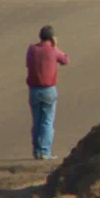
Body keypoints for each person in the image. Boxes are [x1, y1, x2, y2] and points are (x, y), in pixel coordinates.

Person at [25, 26, 69, 160]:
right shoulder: (52, 50)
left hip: (34, 90)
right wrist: (55, 46)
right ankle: (45, 151)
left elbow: (28, 63)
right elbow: (65, 60)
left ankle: (37, 151)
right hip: (48, 90)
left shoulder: (32, 49)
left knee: (37, 121)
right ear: (51, 38)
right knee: (47, 121)